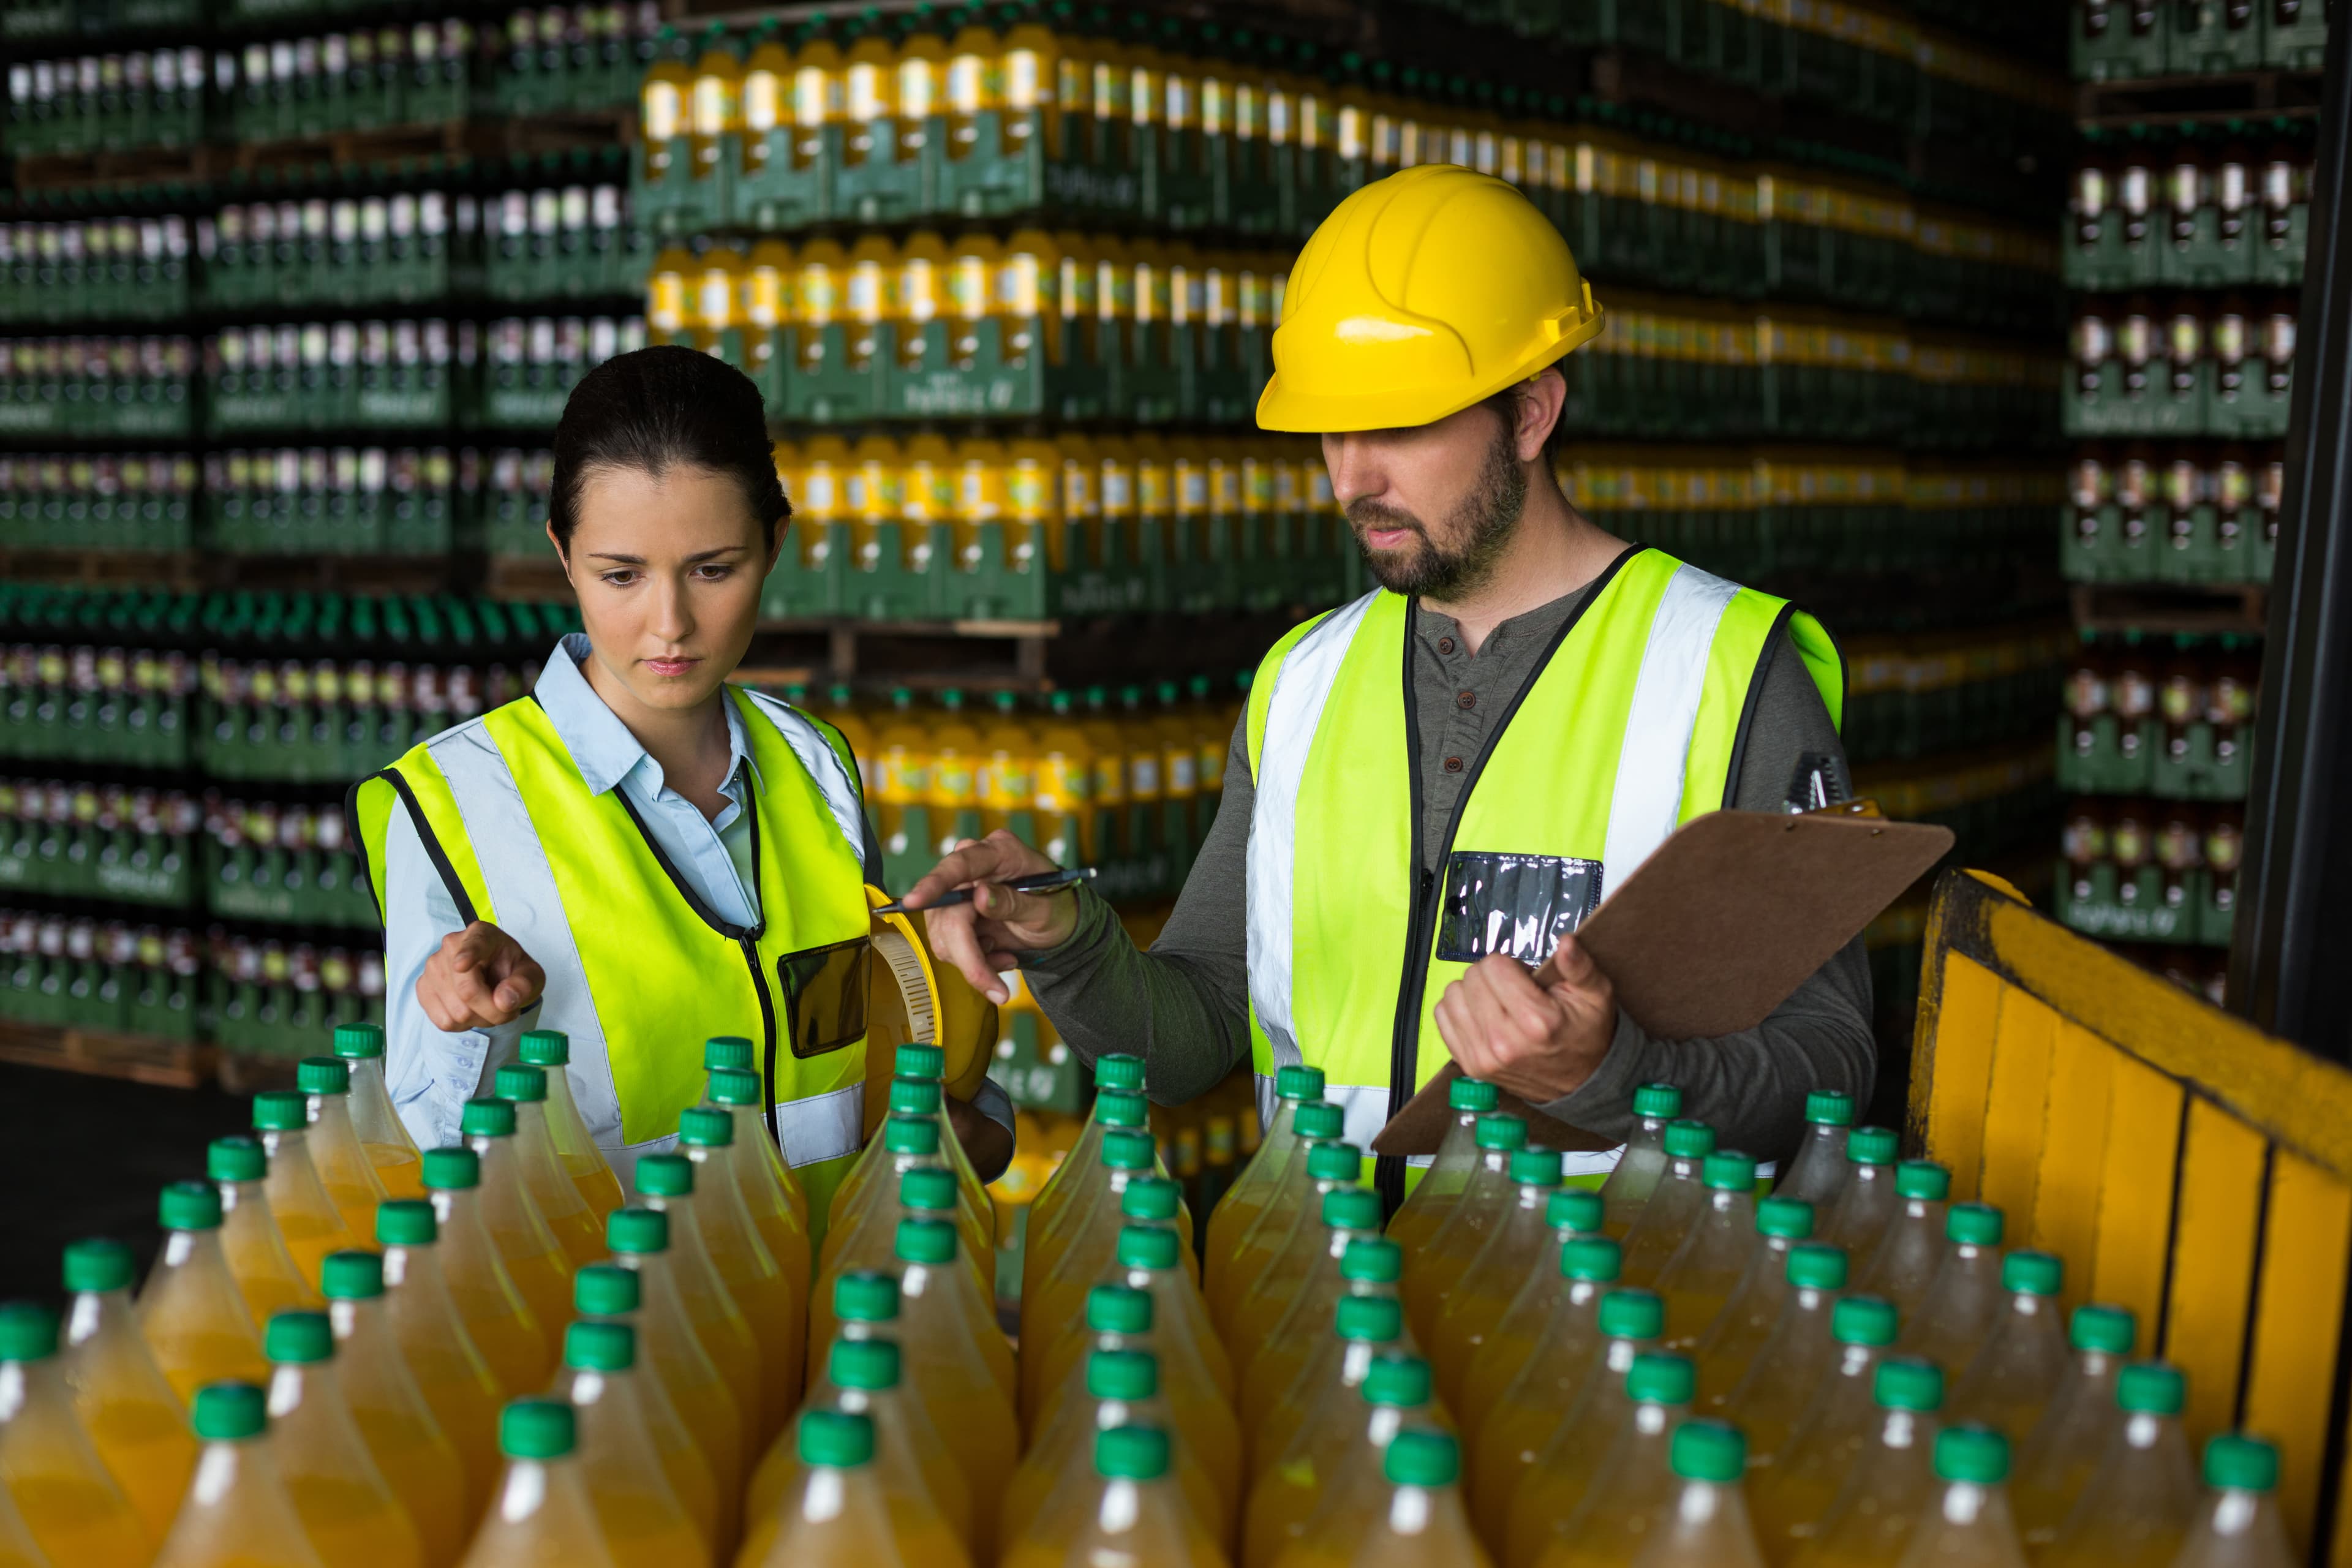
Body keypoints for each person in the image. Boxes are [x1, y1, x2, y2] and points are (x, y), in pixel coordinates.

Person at [903, 166, 1872, 1205]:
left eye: (1399, 425)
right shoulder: (1301, 685)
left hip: (1601, 1332)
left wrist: (1616, 1080)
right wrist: (1073, 946)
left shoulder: (1724, 670)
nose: (1353, 479)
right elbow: (1192, 1041)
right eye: (1332, 429)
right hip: (1319, 1310)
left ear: (1533, 412)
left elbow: (1834, 1061)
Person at [353, 346, 1012, 1217]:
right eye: (620, 576)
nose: (669, 626)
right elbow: (429, 1167)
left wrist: (970, 1097)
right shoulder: (452, 803)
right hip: (616, 1338)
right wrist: (467, 1028)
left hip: (829, 1320)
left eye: (713, 569)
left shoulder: (817, 766)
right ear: (563, 553)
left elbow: (868, 1066)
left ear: (775, 545)